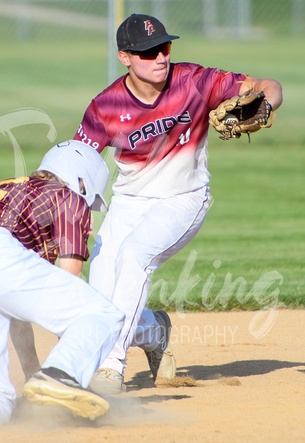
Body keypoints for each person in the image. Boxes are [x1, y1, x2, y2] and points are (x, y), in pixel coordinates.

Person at [73, 13, 283, 395]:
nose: (160, 57)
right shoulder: (105, 106)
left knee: (134, 257)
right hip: (128, 202)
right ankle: (155, 332)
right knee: (100, 302)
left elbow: (268, 85)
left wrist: (265, 103)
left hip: (182, 200)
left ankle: (110, 369)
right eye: (148, 51)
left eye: (164, 47)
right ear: (125, 57)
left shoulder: (195, 81)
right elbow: (78, 165)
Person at [0, 140, 125, 435]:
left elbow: (14, 304)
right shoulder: (66, 196)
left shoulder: (4, 187)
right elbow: (70, 274)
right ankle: (63, 373)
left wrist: (33, 376)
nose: (88, 207)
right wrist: (59, 371)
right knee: (102, 314)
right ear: (82, 181)